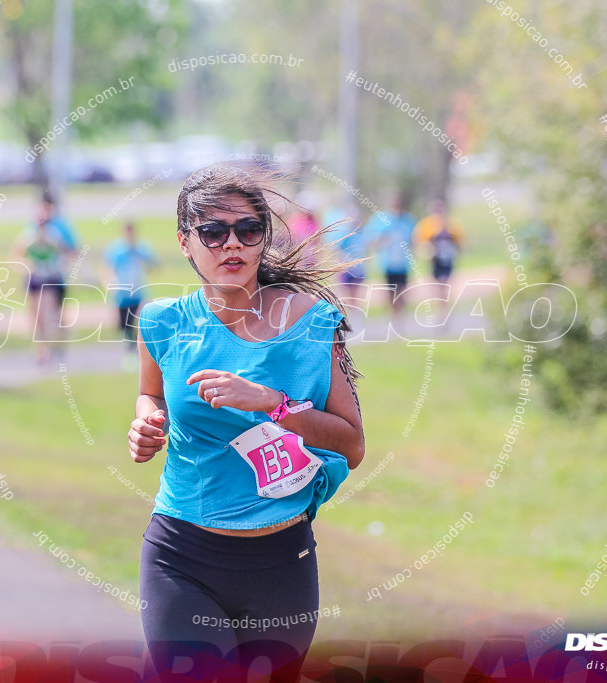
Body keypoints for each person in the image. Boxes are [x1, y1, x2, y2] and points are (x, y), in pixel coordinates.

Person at [129, 165, 364, 681]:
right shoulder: (161, 321)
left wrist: (273, 403)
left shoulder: (312, 324)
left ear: (263, 239)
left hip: (281, 561)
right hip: (182, 554)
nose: (231, 244)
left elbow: (353, 445)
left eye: (247, 230)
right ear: (185, 242)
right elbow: (151, 394)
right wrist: (148, 423)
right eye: (213, 232)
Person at [15, 210, 68, 364]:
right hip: (36, 279)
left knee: (52, 314)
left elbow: (64, 254)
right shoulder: (27, 237)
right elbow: (16, 257)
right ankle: (42, 348)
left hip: (51, 278)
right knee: (37, 315)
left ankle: (54, 343)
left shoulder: (54, 236)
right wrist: (27, 265)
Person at [104, 221, 157, 367]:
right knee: (123, 325)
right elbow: (107, 268)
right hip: (122, 294)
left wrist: (146, 263)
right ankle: (131, 348)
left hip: (138, 293)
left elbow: (154, 266)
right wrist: (110, 284)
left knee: (139, 322)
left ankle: (139, 352)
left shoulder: (141, 249)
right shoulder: (117, 250)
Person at [364, 193, 415, 331]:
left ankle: (401, 320)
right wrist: (382, 240)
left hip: (403, 264)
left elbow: (413, 240)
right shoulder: (380, 220)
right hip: (387, 264)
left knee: (403, 293)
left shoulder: (407, 220)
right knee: (391, 294)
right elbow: (370, 240)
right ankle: (393, 319)